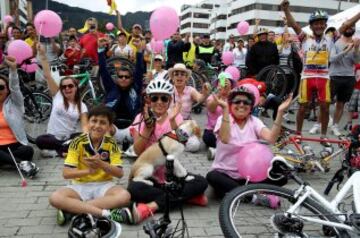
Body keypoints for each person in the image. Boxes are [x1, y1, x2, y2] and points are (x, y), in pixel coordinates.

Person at [127, 78, 208, 224]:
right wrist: (148, 128)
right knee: (133, 188)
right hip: (149, 178)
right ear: (148, 100)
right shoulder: (140, 118)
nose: (159, 102)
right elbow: (137, 151)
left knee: (201, 182)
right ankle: (184, 197)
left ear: (170, 100)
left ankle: (151, 206)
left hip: (171, 175)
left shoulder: (176, 117)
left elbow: (184, 143)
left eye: (164, 98)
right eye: (155, 98)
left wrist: (172, 122)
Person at [281, 0, 355, 142]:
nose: (319, 25)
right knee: (303, 107)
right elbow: (294, 25)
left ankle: (323, 135)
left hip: (324, 78)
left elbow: (346, 25)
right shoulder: (305, 38)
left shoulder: (331, 38)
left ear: (326, 25)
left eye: (322, 23)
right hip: (307, 77)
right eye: (316, 23)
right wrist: (286, 10)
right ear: (311, 26)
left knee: (325, 107)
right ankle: (298, 133)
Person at [48, 106, 131, 225]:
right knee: (55, 198)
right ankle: (106, 214)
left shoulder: (111, 144)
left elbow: (119, 174)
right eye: (94, 121)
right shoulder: (77, 142)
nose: (97, 126)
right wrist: (88, 171)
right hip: (80, 186)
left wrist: (101, 164)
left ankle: (72, 210)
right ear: (88, 123)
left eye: (102, 122)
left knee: (125, 196)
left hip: (104, 185)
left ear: (109, 126)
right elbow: (66, 174)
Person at [206, 85, 292, 197]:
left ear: (251, 107)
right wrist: (225, 110)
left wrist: (280, 112)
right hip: (226, 175)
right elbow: (225, 139)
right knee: (212, 176)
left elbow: (271, 138)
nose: (241, 104)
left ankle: (242, 193)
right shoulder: (224, 119)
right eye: (237, 101)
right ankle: (252, 194)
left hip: (250, 176)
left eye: (246, 102)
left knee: (282, 177)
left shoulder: (254, 121)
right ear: (231, 104)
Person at [36, 44, 88, 158]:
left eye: (70, 86)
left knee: (84, 139)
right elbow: (48, 75)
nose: (67, 89)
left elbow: (84, 125)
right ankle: (63, 150)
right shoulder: (58, 95)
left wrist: (85, 135)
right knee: (40, 140)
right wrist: (43, 55)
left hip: (68, 138)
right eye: (64, 87)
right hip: (52, 138)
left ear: (76, 87)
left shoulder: (82, 105)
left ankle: (56, 151)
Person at [98, 37, 145, 148]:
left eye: (127, 77)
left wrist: (139, 52)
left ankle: (134, 149)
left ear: (131, 79)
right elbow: (103, 70)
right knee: (102, 125)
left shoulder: (136, 87)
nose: (123, 78)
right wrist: (100, 50)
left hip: (132, 130)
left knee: (143, 127)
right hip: (113, 130)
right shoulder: (111, 87)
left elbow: (139, 69)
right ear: (117, 78)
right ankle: (108, 150)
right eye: (120, 76)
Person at [0, 56, 39, 177]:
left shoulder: (15, 103)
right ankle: (22, 165)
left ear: (7, 90)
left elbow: (15, 87)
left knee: (28, 151)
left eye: (1, 87)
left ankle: (9, 161)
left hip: (15, 145)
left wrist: (13, 70)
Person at [169, 63, 211, 152]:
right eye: (176, 74)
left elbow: (200, 98)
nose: (179, 76)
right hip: (170, 124)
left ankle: (176, 142)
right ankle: (177, 141)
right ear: (172, 77)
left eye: (182, 74)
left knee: (195, 146)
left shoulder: (190, 90)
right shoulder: (168, 90)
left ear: (186, 78)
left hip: (185, 123)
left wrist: (205, 93)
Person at [329, 18, 360, 136]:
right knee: (325, 103)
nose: (349, 28)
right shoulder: (336, 41)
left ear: (354, 29)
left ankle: (335, 126)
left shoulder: (355, 42)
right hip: (334, 76)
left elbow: (357, 61)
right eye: (347, 26)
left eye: (352, 27)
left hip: (349, 77)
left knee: (341, 104)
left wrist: (356, 49)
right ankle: (319, 124)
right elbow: (332, 59)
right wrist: (346, 51)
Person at [204, 72, 235, 159]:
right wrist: (219, 93)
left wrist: (230, 93)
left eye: (227, 82)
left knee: (233, 138)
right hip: (213, 132)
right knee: (208, 138)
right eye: (221, 81)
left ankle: (217, 151)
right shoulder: (212, 97)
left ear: (231, 85)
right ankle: (224, 150)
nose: (224, 84)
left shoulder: (235, 98)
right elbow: (211, 108)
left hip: (229, 131)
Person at [346, 64, 360, 131]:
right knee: (350, 107)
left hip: (356, 88)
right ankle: (349, 124)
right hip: (355, 88)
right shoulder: (356, 66)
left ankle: (358, 127)